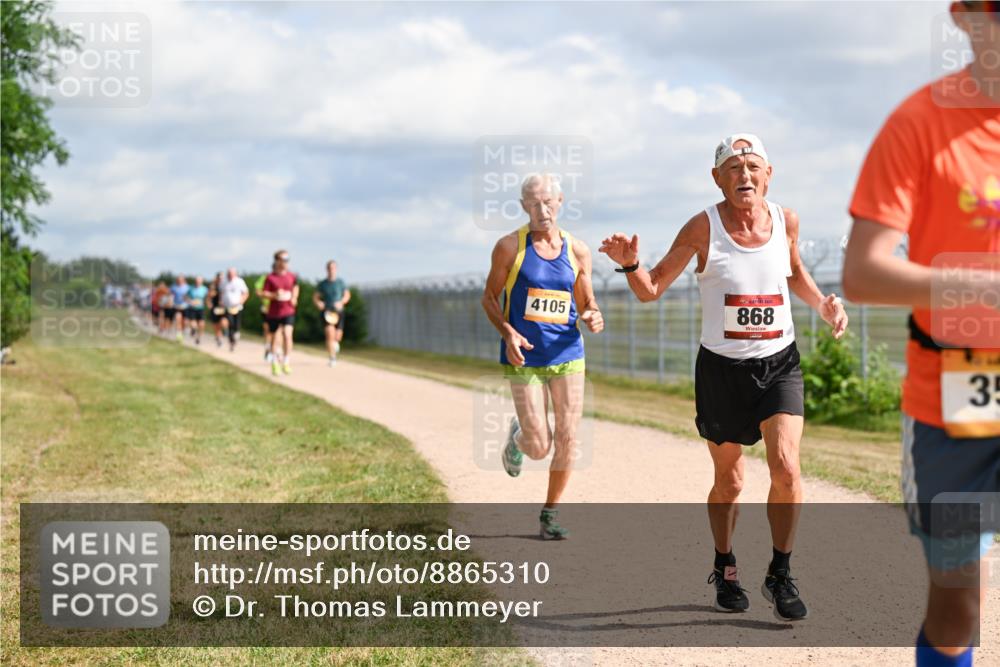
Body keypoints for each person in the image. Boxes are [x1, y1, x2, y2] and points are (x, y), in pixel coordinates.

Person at [600, 134, 848, 620]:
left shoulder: (786, 220)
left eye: (753, 166)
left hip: (780, 362)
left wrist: (823, 304)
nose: (744, 176)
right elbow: (650, 290)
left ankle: (780, 572)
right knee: (730, 482)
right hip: (721, 370)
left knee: (786, 465)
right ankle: (726, 563)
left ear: (769, 174)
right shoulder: (702, 227)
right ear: (717, 178)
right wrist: (629, 264)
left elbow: (794, 271)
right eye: (733, 168)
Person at [843, 3, 999, 663]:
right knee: (957, 598)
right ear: (963, 15)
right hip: (955, 399)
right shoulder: (919, 122)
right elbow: (862, 272)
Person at [482, 173, 604, 540]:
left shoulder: (577, 250)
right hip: (525, 357)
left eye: (548, 202)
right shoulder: (509, 248)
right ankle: (519, 437)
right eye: (534, 203)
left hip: (568, 352)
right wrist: (508, 332)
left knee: (569, 438)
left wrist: (593, 314)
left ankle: (550, 514)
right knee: (539, 445)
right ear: (523, 206)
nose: (542, 209)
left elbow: (586, 300)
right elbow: (489, 297)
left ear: (560, 201)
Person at [260, 250, 298, 375]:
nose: (285, 262)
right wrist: (274, 295)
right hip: (274, 312)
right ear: (277, 261)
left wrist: (294, 297)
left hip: (288, 310)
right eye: (283, 259)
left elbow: (295, 287)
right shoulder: (270, 278)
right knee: (275, 338)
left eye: (287, 259)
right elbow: (264, 293)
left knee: (287, 335)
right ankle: (275, 362)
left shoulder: (292, 276)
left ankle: (286, 362)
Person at [313, 260, 351, 367]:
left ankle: (335, 343)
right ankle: (332, 357)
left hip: (339, 311)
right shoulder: (323, 284)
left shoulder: (340, 283)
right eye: (329, 268)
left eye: (333, 268)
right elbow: (316, 297)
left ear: (336, 269)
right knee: (329, 333)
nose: (331, 270)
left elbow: (347, 295)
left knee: (337, 336)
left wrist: (341, 302)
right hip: (327, 312)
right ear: (327, 269)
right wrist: (319, 303)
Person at [220, 267, 250, 352]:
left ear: (235, 274)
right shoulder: (223, 282)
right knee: (230, 323)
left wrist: (241, 302)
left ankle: (236, 335)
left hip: (237, 307)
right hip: (227, 307)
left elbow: (246, 293)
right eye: (229, 274)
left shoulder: (240, 282)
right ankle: (231, 341)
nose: (230, 275)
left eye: (232, 274)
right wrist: (221, 301)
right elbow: (221, 292)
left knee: (236, 325)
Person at [255, 265, 275, 362]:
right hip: (267, 308)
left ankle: (274, 351)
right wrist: (266, 295)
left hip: (281, 310)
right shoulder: (265, 278)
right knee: (268, 330)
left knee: (279, 332)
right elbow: (258, 291)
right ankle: (268, 350)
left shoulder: (286, 277)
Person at [186, 275, 208, 345]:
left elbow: (207, 298)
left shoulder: (205, 289)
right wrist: (190, 301)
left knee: (202, 324)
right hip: (192, 308)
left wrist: (207, 303)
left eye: (199, 282)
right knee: (193, 324)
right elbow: (185, 297)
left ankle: (198, 337)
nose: (197, 283)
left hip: (201, 309)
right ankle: (193, 330)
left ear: (201, 282)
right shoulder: (191, 288)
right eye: (196, 281)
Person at [207, 272, 226, 347]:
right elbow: (209, 296)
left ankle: (224, 332)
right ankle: (219, 338)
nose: (221, 279)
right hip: (215, 307)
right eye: (219, 278)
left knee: (223, 322)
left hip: (223, 307)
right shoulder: (213, 286)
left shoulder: (226, 285)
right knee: (216, 324)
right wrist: (209, 303)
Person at [169, 275, 189, 342]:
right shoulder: (173, 287)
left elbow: (189, 296)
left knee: (184, 322)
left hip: (185, 306)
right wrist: (171, 302)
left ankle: (183, 331)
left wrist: (190, 301)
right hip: (176, 306)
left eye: (181, 280)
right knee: (178, 319)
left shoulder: (187, 287)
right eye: (178, 280)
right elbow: (171, 295)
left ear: (183, 280)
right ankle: (179, 334)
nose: (179, 281)